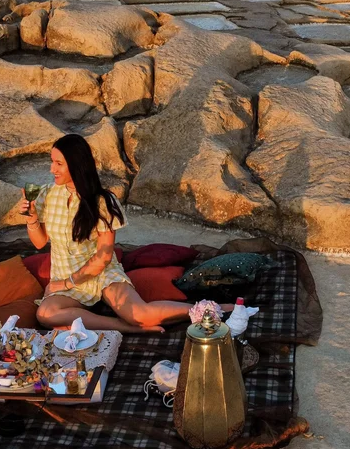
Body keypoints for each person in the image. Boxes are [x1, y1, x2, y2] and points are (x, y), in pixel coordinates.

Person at [19, 134, 232, 333]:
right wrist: (32, 218)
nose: (51, 169)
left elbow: (102, 258)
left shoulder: (103, 201)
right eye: (52, 161)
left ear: (76, 165)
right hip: (65, 276)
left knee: (140, 314)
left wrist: (66, 283)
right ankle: (126, 327)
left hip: (101, 274)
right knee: (46, 314)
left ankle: (209, 309)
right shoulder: (47, 194)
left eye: (58, 163)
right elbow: (40, 243)